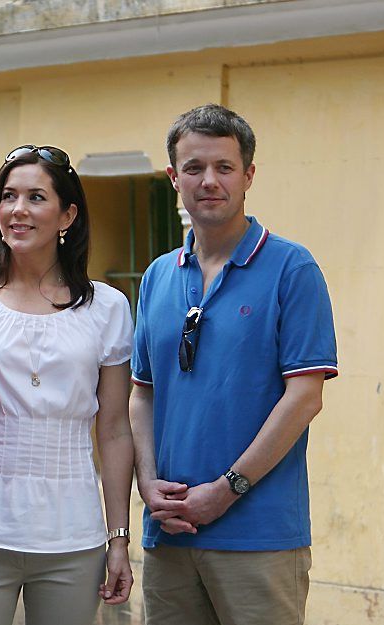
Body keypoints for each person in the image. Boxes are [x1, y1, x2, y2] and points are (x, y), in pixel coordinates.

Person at [130, 104, 338, 625]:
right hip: (169, 534)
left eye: (224, 167)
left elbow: (305, 396)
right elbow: (142, 393)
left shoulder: (293, 268)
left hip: (259, 537)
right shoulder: (157, 276)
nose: (209, 181)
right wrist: (148, 481)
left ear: (248, 175)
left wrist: (225, 491)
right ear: (173, 177)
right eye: (194, 168)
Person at [0, 145, 135, 625]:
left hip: (74, 536)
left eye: (36, 197)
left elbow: (115, 430)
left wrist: (118, 537)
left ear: (68, 214)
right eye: (8, 197)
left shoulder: (109, 308)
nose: (18, 210)